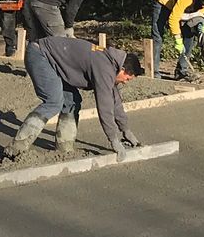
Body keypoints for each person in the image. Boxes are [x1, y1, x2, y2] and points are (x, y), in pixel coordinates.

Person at [12, 40, 144, 159]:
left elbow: (115, 100)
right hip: (40, 55)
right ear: (122, 69)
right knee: (53, 102)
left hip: (55, 63)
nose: (125, 82)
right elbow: (105, 106)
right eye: (127, 78)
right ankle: (17, 147)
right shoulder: (104, 67)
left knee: (72, 101)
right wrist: (114, 139)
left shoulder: (110, 64)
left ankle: (64, 147)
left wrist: (126, 130)